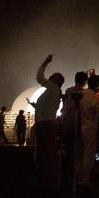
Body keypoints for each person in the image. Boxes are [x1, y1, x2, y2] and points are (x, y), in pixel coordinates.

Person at [34, 54, 64, 190]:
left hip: (45, 125)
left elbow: (39, 77)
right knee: (47, 153)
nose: (50, 78)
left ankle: (49, 182)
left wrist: (45, 63)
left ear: (56, 81)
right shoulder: (54, 91)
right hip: (46, 124)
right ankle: (48, 180)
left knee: (46, 154)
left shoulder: (53, 88)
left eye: (53, 77)